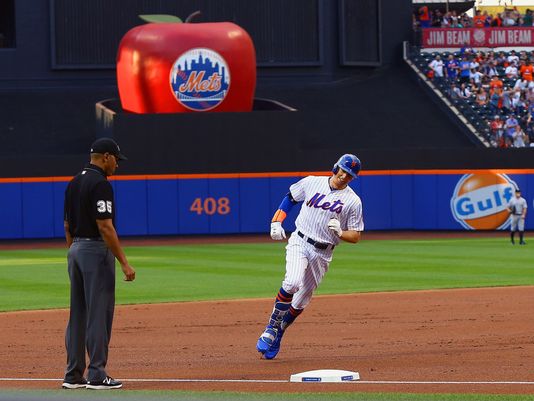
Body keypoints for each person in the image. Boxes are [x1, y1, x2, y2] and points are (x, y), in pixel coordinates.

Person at [255, 154, 364, 360]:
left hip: (323, 252)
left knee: (300, 302)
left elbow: (356, 235)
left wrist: (341, 233)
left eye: (349, 175)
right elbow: (290, 197)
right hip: (300, 241)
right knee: (292, 281)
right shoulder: (312, 182)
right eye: (342, 171)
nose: (344, 176)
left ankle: (279, 332)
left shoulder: (353, 201)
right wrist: (276, 221)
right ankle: (271, 327)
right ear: (335, 168)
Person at [62, 138, 136, 390]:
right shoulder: (100, 184)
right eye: (116, 159)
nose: (117, 164)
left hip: (75, 250)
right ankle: (96, 374)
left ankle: (72, 375)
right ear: (105, 157)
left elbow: (67, 226)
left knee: (78, 314)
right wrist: (124, 262)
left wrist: (73, 250)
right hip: (94, 250)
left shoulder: (74, 182)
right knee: (99, 314)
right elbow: (105, 226)